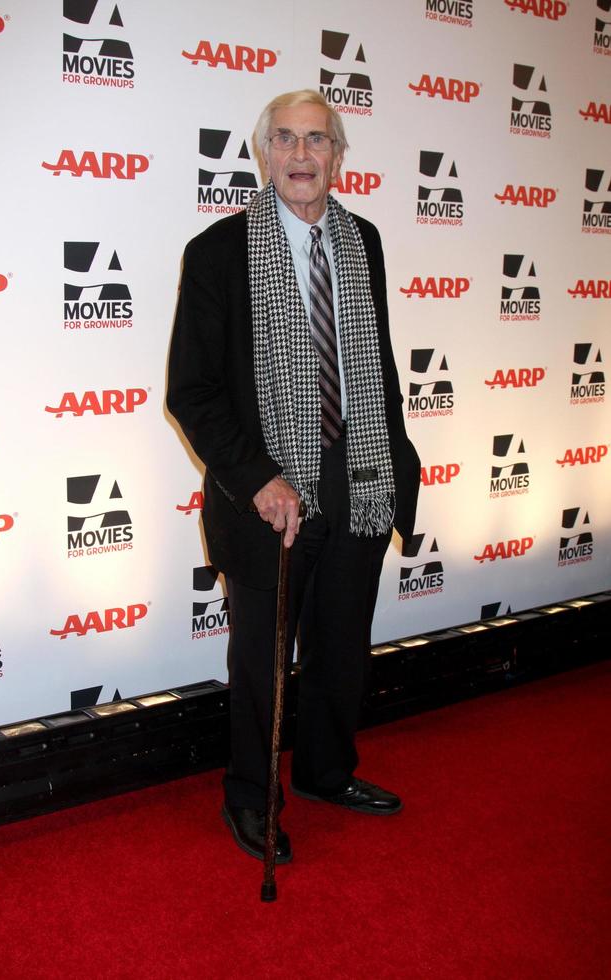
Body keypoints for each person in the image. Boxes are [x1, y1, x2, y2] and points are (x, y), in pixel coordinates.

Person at [167, 89, 420, 864]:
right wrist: (258, 479)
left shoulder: (364, 241)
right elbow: (193, 392)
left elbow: (370, 363)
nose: (302, 155)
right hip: (267, 491)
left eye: (318, 140)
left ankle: (324, 772)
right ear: (263, 153)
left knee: (342, 647)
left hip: (360, 476)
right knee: (261, 663)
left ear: (338, 156)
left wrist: (394, 456)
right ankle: (249, 798)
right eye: (286, 139)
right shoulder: (218, 252)